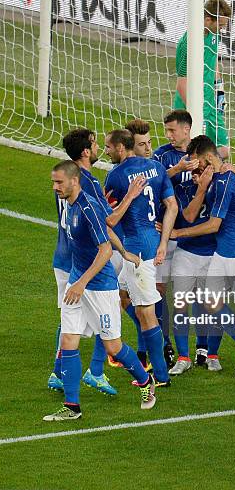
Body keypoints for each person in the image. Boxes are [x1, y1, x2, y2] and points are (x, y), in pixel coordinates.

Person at [44, 161, 156, 421]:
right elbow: (106, 231)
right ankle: (72, 407)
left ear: (74, 181)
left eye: (59, 182)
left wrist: (83, 281)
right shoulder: (69, 206)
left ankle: (145, 381)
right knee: (68, 341)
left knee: (113, 346)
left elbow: (104, 249)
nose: (55, 187)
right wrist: (124, 252)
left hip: (100, 288)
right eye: (53, 182)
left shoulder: (87, 207)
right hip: (78, 284)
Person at [48, 128, 142, 395]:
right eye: (95, 143)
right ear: (87, 151)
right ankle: (94, 371)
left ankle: (69, 373)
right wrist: (130, 196)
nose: (100, 146)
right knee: (100, 312)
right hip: (83, 259)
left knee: (72, 316)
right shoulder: (81, 181)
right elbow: (108, 220)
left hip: (64, 256)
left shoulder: (64, 177)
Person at [171, 135, 235, 377]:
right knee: (212, 302)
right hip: (223, 251)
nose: (194, 166)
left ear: (207, 157)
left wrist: (179, 232)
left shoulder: (224, 182)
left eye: (195, 161)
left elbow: (213, 225)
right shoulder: (219, 178)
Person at [104, 129, 178, 386]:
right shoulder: (157, 168)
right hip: (149, 243)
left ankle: (160, 374)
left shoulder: (116, 175)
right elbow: (172, 205)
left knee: (146, 313)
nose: (107, 151)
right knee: (123, 296)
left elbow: (108, 218)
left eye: (109, 147)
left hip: (135, 250)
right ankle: (147, 354)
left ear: (122, 148)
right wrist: (164, 242)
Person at [153, 110, 209, 367]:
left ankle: (203, 348)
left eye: (172, 130)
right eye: (166, 131)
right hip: (166, 234)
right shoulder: (162, 156)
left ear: (187, 129)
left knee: (198, 295)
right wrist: (175, 170)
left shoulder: (202, 152)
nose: (168, 135)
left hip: (194, 238)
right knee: (161, 290)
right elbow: (150, 185)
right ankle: (164, 344)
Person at [168, 165, 218, 375]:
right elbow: (182, 217)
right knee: (180, 306)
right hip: (186, 254)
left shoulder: (219, 189)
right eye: (195, 173)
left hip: (214, 254)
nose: (197, 177)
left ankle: (209, 352)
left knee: (211, 307)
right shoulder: (182, 189)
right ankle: (183, 357)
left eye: (202, 173)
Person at [174, 0, 232, 160]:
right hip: (190, 104)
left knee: (223, 150)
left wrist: (220, 92)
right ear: (207, 20)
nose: (222, 30)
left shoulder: (215, 35)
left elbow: (212, 63)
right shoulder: (187, 44)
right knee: (189, 152)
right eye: (220, 25)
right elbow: (181, 83)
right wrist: (194, 111)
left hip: (211, 102)